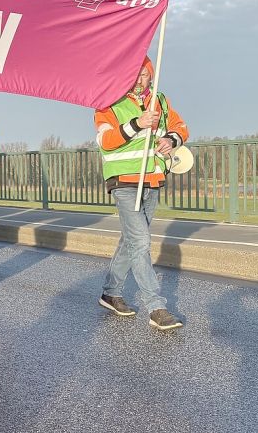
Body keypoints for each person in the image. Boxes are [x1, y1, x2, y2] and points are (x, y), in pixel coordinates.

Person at [94, 57, 188, 331]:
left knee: (131, 241)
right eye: (133, 74)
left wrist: (171, 139)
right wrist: (138, 123)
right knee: (141, 242)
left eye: (144, 75)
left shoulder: (159, 99)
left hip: (153, 179)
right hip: (124, 182)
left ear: (151, 75)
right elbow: (105, 142)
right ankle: (156, 306)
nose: (138, 80)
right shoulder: (107, 101)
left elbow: (182, 127)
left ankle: (110, 293)